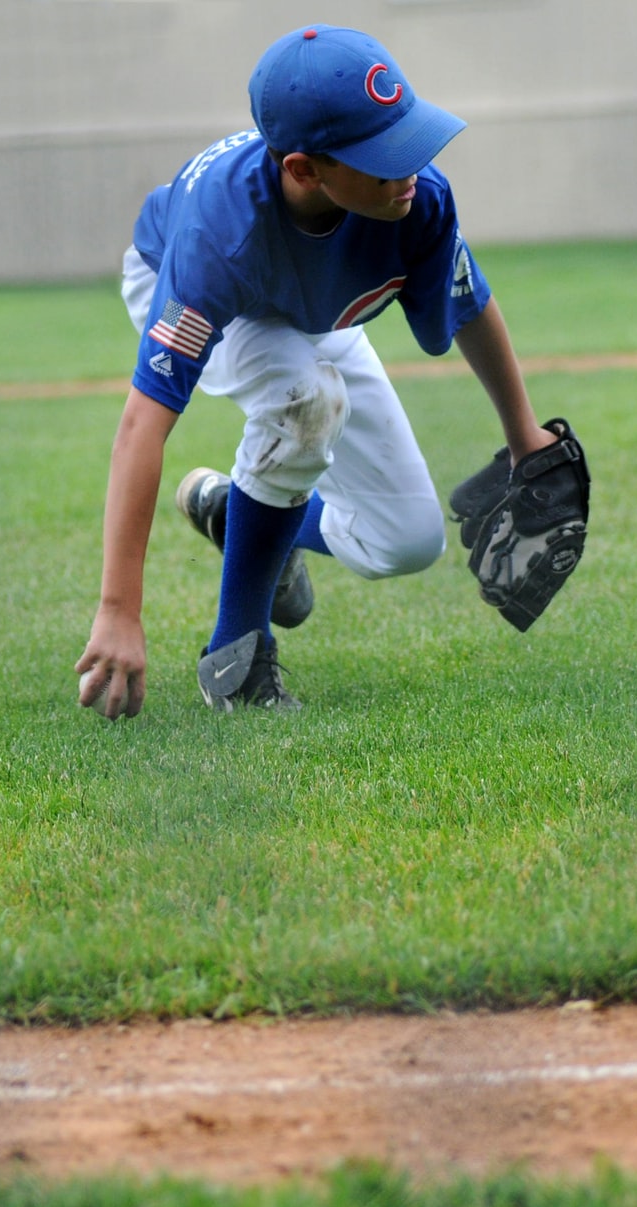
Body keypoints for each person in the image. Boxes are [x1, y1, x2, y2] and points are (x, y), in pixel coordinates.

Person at [75, 25, 558, 716]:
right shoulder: (219, 237)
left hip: (307, 307)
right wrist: (119, 609)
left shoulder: (414, 199)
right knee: (306, 399)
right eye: (383, 157)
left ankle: (231, 510)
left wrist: (524, 437)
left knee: (407, 540)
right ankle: (236, 660)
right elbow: (141, 425)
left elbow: (470, 302)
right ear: (304, 169)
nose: (410, 169)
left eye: (409, 138)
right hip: (190, 287)